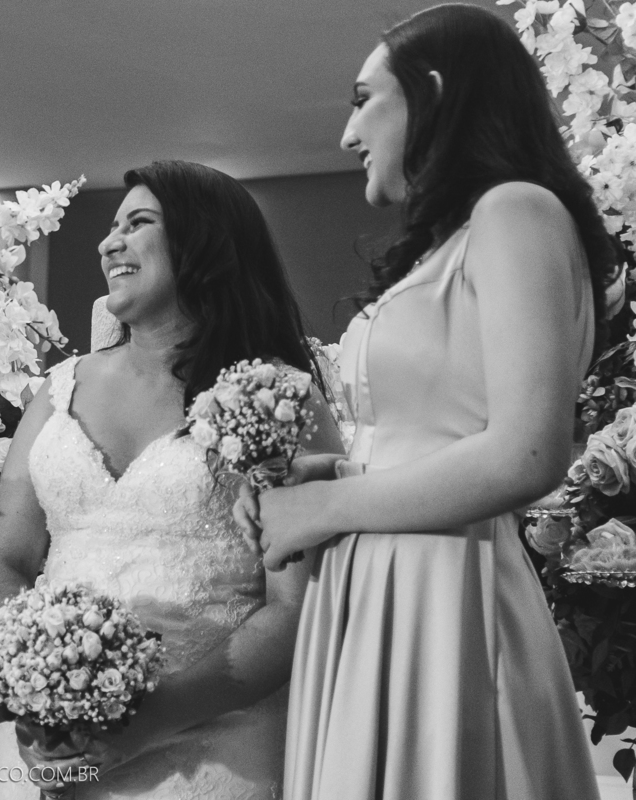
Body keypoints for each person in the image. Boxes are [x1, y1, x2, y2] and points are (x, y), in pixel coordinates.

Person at [237, 5, 611, 799]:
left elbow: (528, 451)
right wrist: (327, 474)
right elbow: (433, 432)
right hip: (383, 581)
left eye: (362, 100)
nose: (348, 134)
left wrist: (324, 509)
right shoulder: (458, 240)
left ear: (432, 91)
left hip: (446, 591)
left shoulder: (515, 209)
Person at [0, 160, 345, 799]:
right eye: (111, 227)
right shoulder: (60, 388)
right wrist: (27, 685)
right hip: (53, 746)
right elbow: (5, 554)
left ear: (202, 243)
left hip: (215, 742)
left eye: (137, 224)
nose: (107, 243)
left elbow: (296, 605)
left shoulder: (276, 400)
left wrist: (141, 725)